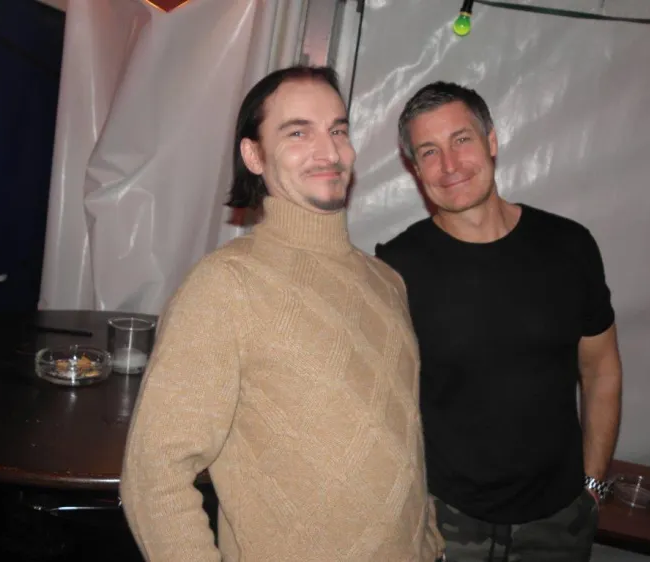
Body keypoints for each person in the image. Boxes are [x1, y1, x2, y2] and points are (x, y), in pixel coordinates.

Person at [120, 66, 444, 562]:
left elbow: (404, 445)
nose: (329, 151)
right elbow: (154, 473)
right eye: (298, 132)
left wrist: (429, 542)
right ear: (254, 155)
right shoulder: (225, 285)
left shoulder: (387, 282)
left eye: (338, 130)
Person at [375, 81, 623, 561]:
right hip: (446, 522)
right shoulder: (397, 268)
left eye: (461, 140)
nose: (449, 165)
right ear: (414, 168)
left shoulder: (569, 247)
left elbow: (601, 369)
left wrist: (592, 485)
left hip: (559, 522)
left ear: (491, 140)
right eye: (429, 151)